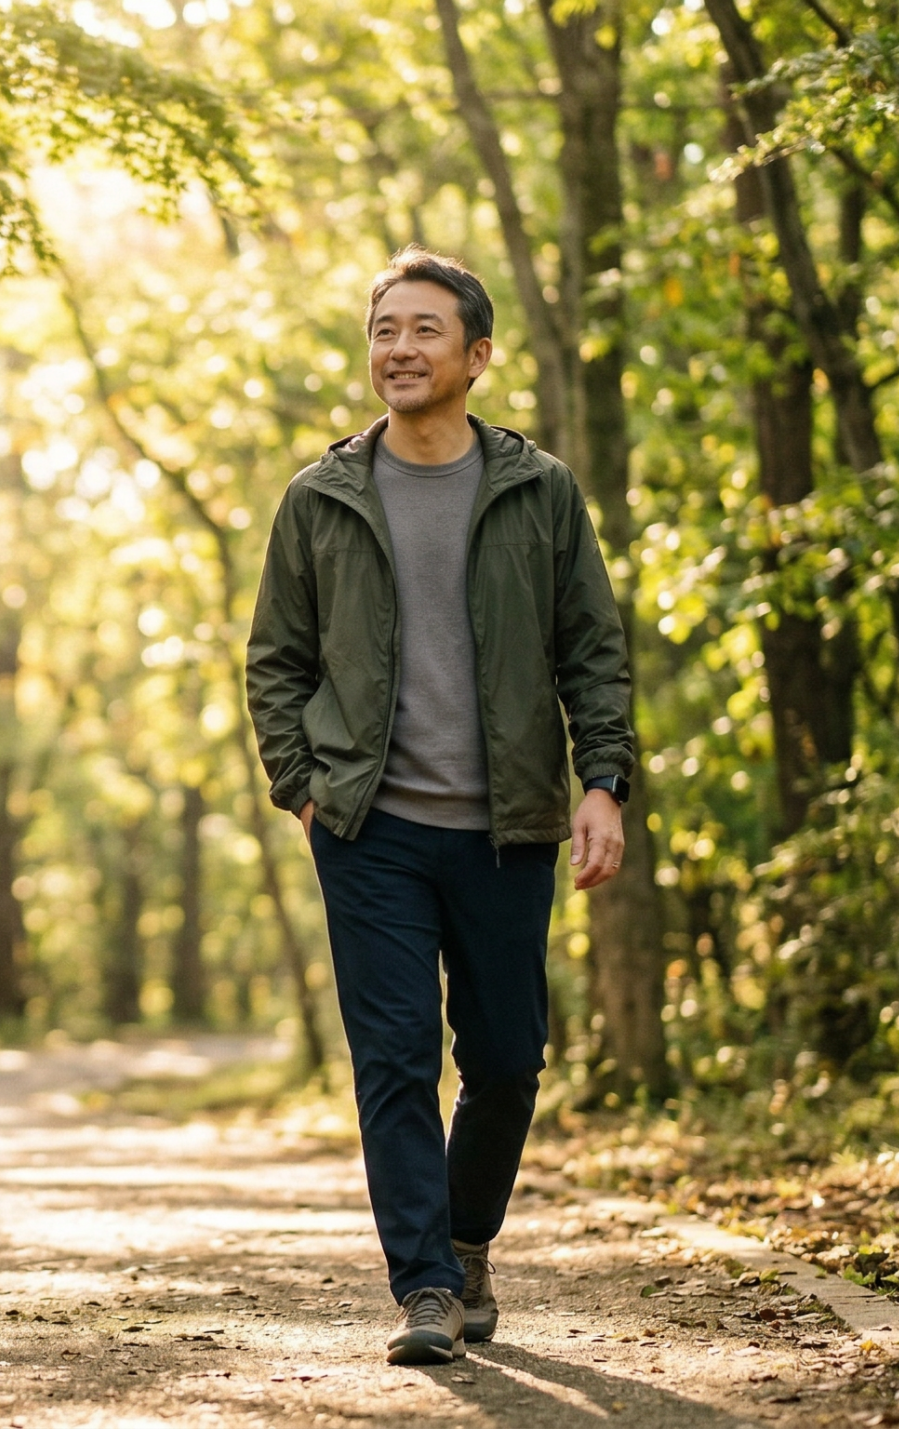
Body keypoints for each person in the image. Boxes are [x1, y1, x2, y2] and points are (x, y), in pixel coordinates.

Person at [243, 246, 635, 1366]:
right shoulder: (318, 497)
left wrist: (600, 782)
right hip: (368, 828)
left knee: (507, 1057)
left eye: (422, 330)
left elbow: (590, 651)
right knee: (396, 1053)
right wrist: (304, 790)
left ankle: (464, 1239)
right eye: (382, 331)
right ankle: (422, 1284)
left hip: (509, 822)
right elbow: (275, 661)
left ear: (477, 354)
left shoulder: (539, 489)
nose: (397, 350)